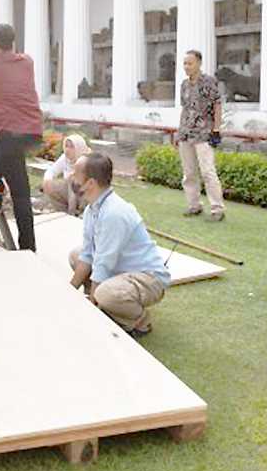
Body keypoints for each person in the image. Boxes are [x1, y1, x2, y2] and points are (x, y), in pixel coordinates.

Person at [67, 153, 170, 339]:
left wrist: (92, 309)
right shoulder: (93, 209)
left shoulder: (114, 213)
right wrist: (67, 292)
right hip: (122, 270)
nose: (71, 177)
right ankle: (104, 305)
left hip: (149, 279)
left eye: (75, 174)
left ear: (90, 183)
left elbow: (103, 263)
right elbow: (88, 254)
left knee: (105, 294)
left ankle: (140, 321)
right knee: (76, 254)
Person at [0, 24, 42, 251]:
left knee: (20, 193)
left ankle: (28, 246)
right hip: (33, 131)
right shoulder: (27, 62)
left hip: (10, 134)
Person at [176, 49, 226, 221]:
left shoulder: (209, 82)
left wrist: (216, 129)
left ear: (199, 63)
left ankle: (217, 209)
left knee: (208, 172)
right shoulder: (184, 85)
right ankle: (194, 205)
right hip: (185, 133)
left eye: (189, 63)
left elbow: (217, 105)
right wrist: (179, 132)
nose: (186, 67)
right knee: (189, 173)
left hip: (204, 133)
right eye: (185, 63)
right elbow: (185, 108)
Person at [41, 133, 89, 215]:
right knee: (50, 185)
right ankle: (63, 212)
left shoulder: (86, 160)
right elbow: (51, 171)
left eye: (71, 147)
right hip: (68, 192)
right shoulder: (64, 158)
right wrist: (47, 180)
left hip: (83, 195)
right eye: (66, 146)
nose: (68, 149)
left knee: (72, 180)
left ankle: (75, 213)